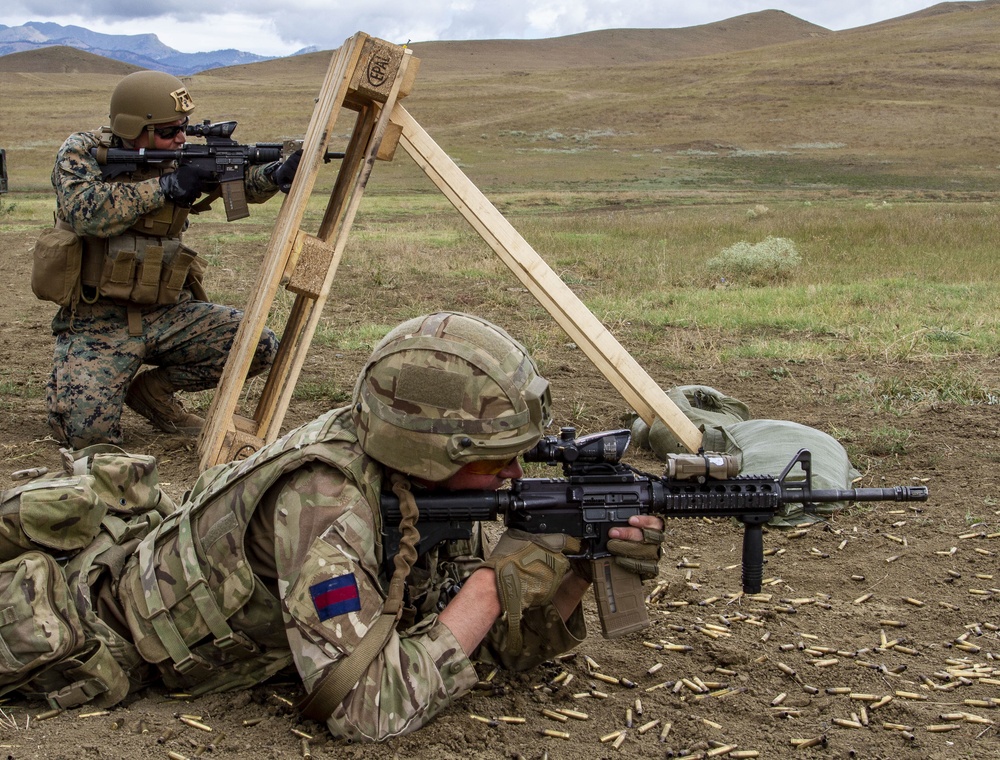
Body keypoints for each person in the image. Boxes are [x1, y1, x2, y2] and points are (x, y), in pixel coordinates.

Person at [58, 311, 660, 741]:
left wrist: (576, 569)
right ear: (429, 452)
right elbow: (366, 708)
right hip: (90, 638)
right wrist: (492, 581)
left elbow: (473, 645)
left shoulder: (417, 481)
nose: (514, 472)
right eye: (494, 458)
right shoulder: (325, 506)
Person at [41, 70, 300, 449]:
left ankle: (153, 393)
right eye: (168, 131)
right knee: (87, 436)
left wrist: (275, 174)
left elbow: (236, 182)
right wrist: (165, 187)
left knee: (258, 346)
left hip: (167, 311)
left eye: (184, 127)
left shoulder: (179, 157)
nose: (180, 138)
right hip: (99, 320)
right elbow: (85, 210)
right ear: (134, 129)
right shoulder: (83, 152)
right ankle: (74, 386)